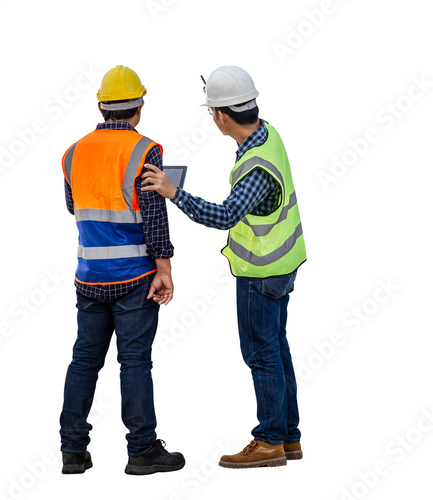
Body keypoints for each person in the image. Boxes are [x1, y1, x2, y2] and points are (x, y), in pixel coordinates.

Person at [142, 66, 307, 469]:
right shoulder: (268, 134)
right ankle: (288, 437)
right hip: (284, 264)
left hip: (261, 272)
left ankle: (269, 441)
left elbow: (225, 215)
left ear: (220, 116)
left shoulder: (255, 165)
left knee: (262, 354)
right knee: (277, 350)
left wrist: (172, 191)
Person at [59, 65, 185, 476]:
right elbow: (153, 215)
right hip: (135, 276)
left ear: (100, 105)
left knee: (83, 362)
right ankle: (142, 451)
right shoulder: (146, 149)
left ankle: (73, 452)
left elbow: (73, 206)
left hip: (89, 276)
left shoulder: (73, 152)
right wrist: (163, 267)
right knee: (134, 363)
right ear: (139, 107)